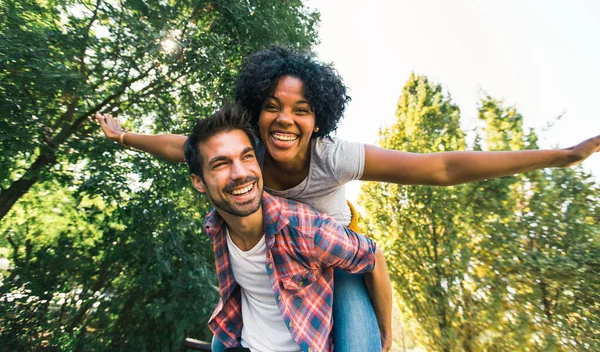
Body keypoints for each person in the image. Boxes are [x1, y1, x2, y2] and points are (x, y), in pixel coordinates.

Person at [96, 46, 600, 351]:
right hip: (285, 260)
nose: (285, 120)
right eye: (272, 106)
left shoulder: (334, 156)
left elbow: (442, 167)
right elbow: (181, 148)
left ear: (319, 119)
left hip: (339, 262)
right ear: (257, 110)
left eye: (302, 109)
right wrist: (124, 138)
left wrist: (558, 155)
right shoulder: (246, 154)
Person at [184, 105, 389, 352]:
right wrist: (123, 137)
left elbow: (373, 257)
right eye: (220, 164)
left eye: (247, 156)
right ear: (198, 182)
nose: (240, 173)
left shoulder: (305, 230)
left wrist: (384, 333)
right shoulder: (215, 226)